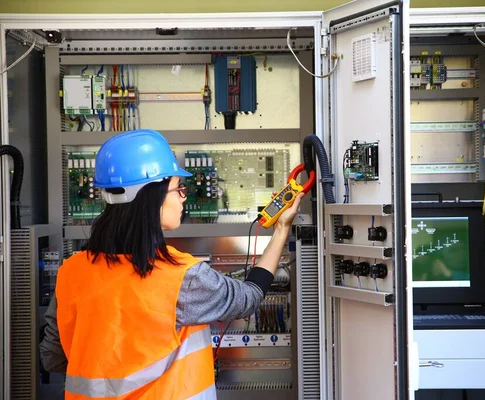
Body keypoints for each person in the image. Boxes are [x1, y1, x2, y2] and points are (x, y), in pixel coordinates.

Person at [39, 129, 303, 399]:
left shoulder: (71, 271)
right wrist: (281, 229)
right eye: (179, 189)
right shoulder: (181, 277)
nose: (183, 198)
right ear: (152, 196)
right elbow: (248, 298)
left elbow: (53, 358)